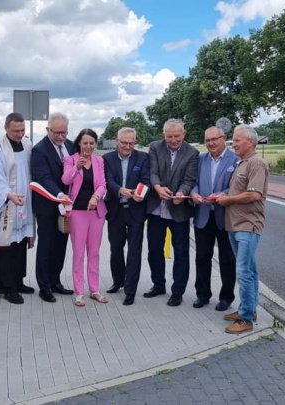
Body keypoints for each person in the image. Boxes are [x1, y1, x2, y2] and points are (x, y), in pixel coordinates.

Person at [216, 125, 269, 334]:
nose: (233, 144)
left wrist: (227, 200)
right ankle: (249, 309)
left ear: (250, 142)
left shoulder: (256, 164)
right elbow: (237, 191)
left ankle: (246, 319)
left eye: (237, 140)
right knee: (250, 271)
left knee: (244, 272)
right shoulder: (242, 163)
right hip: (235, 225)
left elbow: (253, 195)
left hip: (248, 225)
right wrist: (220, 196)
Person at [144, 118, 199, 307]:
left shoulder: (192, 153)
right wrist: (158, 187)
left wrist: (182, 193)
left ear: (184, 134)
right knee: (154, 250)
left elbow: (190, 179)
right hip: (156, 209)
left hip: (179, 209)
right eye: (169, 137)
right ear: (163, 135)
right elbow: (152, 172)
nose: (173, 140)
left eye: (177, 136)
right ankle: (158, 284)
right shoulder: (154, 147)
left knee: (181, 251)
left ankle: (178, 291)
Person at [0, 113, 36, 304]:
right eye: (16, 131)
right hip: (7, 204)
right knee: (6, 246)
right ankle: (7, 288)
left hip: (24, 202)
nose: (20, 134)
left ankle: (19, 281)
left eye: (22, 130)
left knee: (20, 244)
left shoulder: (27, 144)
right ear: (6, 128)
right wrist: (8, 194)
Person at [189, 127, 239, 311]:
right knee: (202, 257)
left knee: (227, 258)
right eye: (207, 140)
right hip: (203, 215)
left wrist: (221, 194)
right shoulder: (200, 159)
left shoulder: (235, 160)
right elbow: (192, 183)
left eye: (214, 139)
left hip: (224, 216)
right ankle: (202, 295)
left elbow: (236, 187)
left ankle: (226, 297)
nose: (210, 143)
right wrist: (194, 194)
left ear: (223, 138)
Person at [30, 112, 76, 303]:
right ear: (48, 129)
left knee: (60, 246)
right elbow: (44, 178)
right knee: (46, 246)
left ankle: (56, 281)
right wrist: (59, 195)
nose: (60, 136)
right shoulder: (39, 150)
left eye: (63, 132)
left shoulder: (71, 145)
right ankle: (44, 287)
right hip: (47, 206)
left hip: (66, 208)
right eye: (56, 132)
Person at [102, 127, 149, 306]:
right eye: (124, 143)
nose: (127, 146)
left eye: (131, 143)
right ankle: (118, 281)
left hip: (136, 210)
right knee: (116, 248)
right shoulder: (107, 159)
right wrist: (120, 190)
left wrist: (140, 193)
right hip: (115, 210)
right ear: (117, 141)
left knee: (134, 252)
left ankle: (130, 290)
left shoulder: (143, 157)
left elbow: (146, 180)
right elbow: (107, 180)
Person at [62, 128, 108, 307]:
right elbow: (66, 180)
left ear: (95, 144)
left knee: (94, 252)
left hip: (96, 212)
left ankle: (94, 289)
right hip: (77, 212)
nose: (88, 146)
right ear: (79, 143)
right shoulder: (70, 160)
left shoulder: (99, 161)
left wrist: (96, 197)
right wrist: (76, 167)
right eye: (85, 143)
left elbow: (103, 184)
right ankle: (79, 291)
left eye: (91, 143)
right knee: (79, 253)